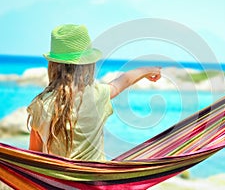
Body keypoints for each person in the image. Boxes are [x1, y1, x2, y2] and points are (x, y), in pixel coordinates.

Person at [27, 24, 161, 161]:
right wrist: (148, 69)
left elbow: (34, 157)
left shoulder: (41, 105)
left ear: (53, 65)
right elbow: (123, 81)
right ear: (88, 66)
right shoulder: (98, 95)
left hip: (57, 181)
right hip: (96, 180)